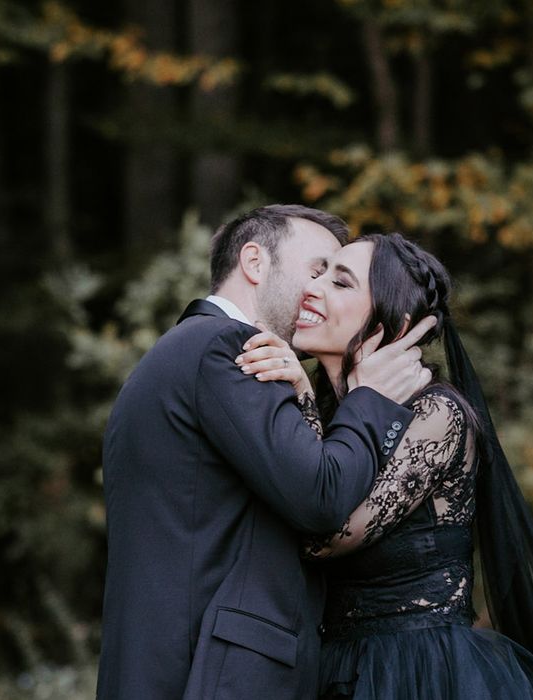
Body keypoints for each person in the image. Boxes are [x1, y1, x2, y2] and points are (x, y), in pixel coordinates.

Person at [238, 232, 533, 699]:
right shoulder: (328, 409)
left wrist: (304, 399)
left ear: (393, 325)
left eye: (341, 282)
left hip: (422, 671)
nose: (312, 289)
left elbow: (323, 536)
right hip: (332, 669)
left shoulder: (436, 415)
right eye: (318, 275)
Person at [95, 205, 435, 699]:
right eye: (316, 269)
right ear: (254, 262)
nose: (318, 291)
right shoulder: (227, 347)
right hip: (207, 676)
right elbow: (320, 496)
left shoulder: (184, 349)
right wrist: (371, 400)